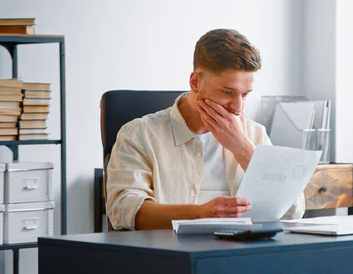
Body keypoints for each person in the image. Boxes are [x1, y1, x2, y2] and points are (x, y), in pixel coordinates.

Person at [106, 29, 305, 230]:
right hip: (172, 255)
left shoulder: (255, 134)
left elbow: (293, 210)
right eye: (227, 92)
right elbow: (124, 211)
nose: (238, 107)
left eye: (244, 95)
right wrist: (203, 214)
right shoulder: (140, 134)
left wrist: (243, 148)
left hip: (242, 256)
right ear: (195, 82)